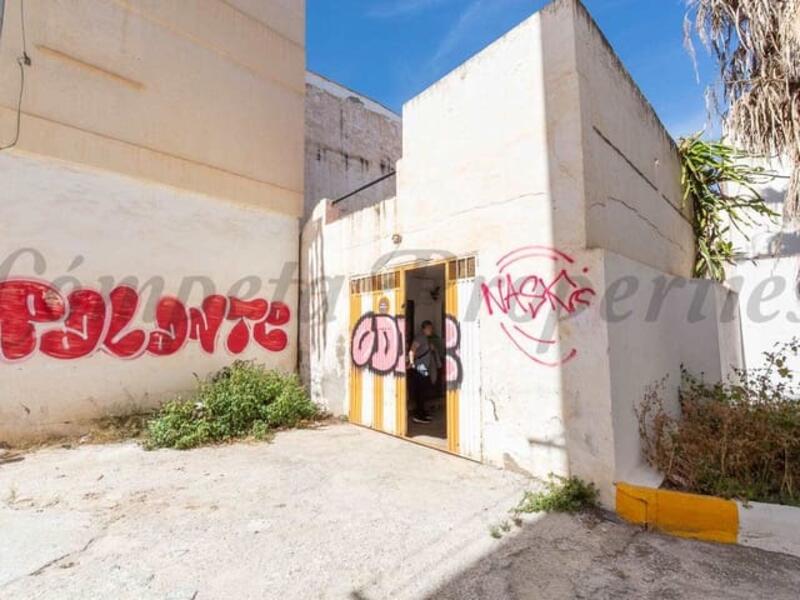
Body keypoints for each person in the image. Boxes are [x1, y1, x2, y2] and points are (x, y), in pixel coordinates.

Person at [408, 320, 440, 424]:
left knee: (424, 390)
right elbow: (412, 350)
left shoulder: (425, 338)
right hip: (420, 367)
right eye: (429, 328)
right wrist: (412, 363)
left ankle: (422, 412)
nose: (431, 330)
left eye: (431, 328)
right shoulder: (420, 337)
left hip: (423, 368)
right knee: (421, 391)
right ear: (424, 328)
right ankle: (418, 415)